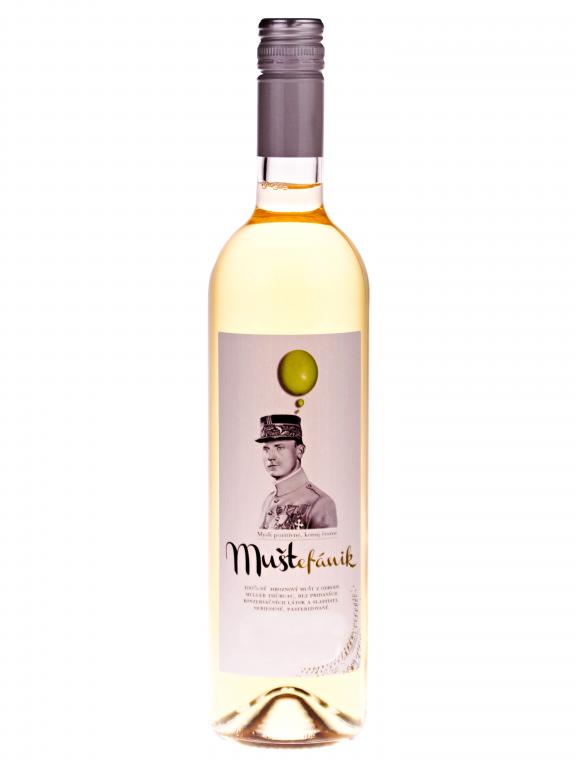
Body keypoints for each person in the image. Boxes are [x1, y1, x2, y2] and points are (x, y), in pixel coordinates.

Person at [255, 414, 337, 529]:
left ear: (300, 451)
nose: (270, 457)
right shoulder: (269, 500)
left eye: (279, 448)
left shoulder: (320, 503)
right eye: (266, 449)